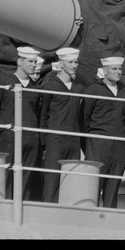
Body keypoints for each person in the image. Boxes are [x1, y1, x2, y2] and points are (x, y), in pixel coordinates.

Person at [0, 45, 43, 201]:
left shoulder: (35, 87)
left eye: (34, 62)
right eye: (30, 61)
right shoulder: (5, 82)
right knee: (6, 175)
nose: (33, 65)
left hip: (30, 139)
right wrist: (0, 134)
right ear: (20, 61)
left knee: (26, 177)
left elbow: (38, 114)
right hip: (9, 137)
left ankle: (21, 206)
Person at [82, 55, 125, 208]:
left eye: (120, 69)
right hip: (98, 144)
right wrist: (89, 144)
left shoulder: (124, 92)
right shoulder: (93, 90)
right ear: (105, 71)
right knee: (93, 186)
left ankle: (108, 219)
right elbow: (84, 118)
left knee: (113, 186)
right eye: (114, 69)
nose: (118, 72)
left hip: (118, 146)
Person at [38, 47, 84, 204]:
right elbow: (42, 115)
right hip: (55, 140)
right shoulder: (50, 86)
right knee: (52, 180)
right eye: (70, 62)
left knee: (70, 180)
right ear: (62, 63)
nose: (73, 65)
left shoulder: (78, 88)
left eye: (76, 62)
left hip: (73, 140)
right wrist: (44, 142)